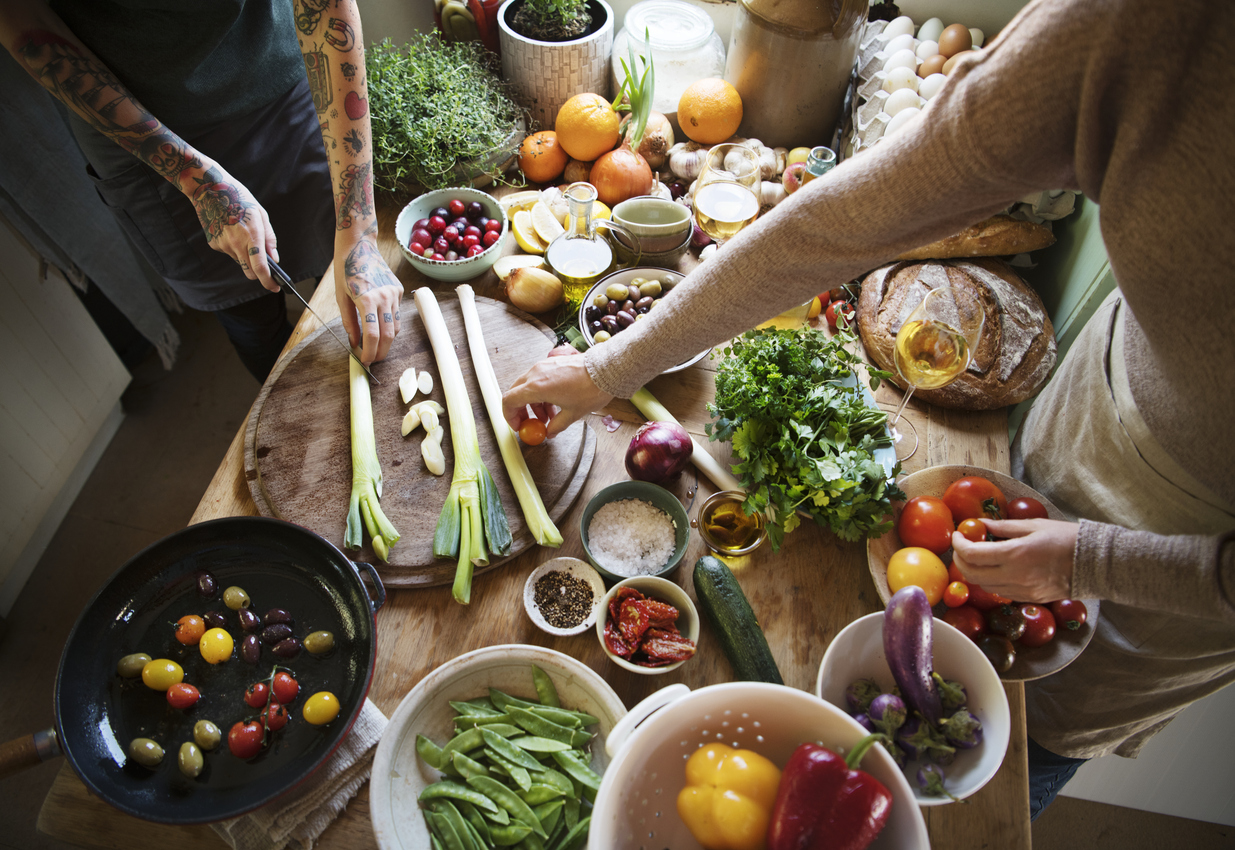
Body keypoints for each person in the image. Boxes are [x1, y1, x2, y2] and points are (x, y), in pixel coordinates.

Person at [502, 0, 1235, 819]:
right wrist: (610, 364)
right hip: (1095, 402)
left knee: (1000, 748)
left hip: (1192, 572)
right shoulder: (1148, 26)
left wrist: (1097, 561)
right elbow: (838, 223)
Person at [0, 0, 403, 381]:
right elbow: (22, 18)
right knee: (245, 306)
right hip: (135, 126)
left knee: (336, 257)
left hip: (273, 79)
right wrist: (196, 179)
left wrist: (360, 230)